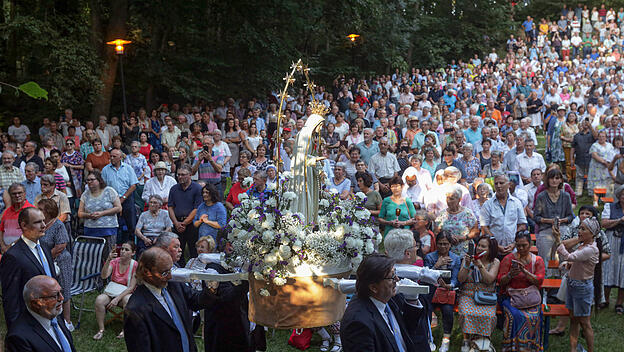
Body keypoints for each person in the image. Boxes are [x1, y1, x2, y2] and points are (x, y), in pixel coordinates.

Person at [123, 247, 216, 352]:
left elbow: (195, 301)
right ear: (146, 272)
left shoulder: (173, 285)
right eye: (164, 273)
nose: (170, 276)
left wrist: (212, 287)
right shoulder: (136, 309)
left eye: (170, 270)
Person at [340, 253, 429, 352]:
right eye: (391, 277)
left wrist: (412, 300)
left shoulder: (386, 298)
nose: (397, 279)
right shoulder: (358, 323)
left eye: (395, 273)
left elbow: (406, 331)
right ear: (373, 287)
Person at [0, 207, 57, 329]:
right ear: (24, 225)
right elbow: (11, 298)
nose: (43, 225)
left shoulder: (45, 247)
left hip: (52, 314)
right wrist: (16, 328)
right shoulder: (13, 256)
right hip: (30, 319)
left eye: (43, 220)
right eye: (37, 222)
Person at [555, 216, 599, 352]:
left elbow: (570, 256)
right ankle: (573, 350)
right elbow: (576, 262)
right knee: (573, 319)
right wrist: (567, 265)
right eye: (579, 227)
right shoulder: (583, 246)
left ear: (592, 233)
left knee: (585, 323)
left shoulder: (591, 249)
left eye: (583, 229)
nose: (579, 231)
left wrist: (558, 241)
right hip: (572, 284)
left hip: (582, 288)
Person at [497, 231, 545, 352]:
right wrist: (510, 275)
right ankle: (513, 348)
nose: (521, 248)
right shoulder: (508, 259)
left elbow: (539, 281)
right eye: (518, 245)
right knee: (515, 315)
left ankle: (531, 347)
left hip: (531, 298)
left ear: (530, 244)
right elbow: (500, 281)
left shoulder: (537, 260)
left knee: (535, 316)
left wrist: (525, 272)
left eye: (524, 245)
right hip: (511, 297)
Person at [5, 275, 76, 352]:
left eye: (61, 292)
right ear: (35, 304)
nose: (61, 298)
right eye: (55, 296)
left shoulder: (54, 314)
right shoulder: (19, 338)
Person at [456, 236, 500, 350]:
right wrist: (466, 264)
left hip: (486, 296)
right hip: (468, 294)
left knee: (488, 315)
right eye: (478, 245)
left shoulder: (495, 262)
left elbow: (489, 279)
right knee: (466, 313)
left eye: (483, 246)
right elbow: (460, 279)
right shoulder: (467, 259)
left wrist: (479, 265)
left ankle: (482, 340)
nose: (479, 248)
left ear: (490, 249)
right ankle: (467, 339)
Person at [37, 199, 73, 331]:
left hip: (61, 261)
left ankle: (67, 321)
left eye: (40, 209)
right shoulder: (40, 224)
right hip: (46, 261)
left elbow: (61, 246)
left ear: (48, 211)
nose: (37, 211)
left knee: (64, 289)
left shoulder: (58, 225)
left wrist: (46, 258)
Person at [424, 231, 461, 352]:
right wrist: (436, 266)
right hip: (432, 291)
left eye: (446, 244)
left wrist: (451, 285)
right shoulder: (430, 257)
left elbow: (456, 278)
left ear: (450, 244)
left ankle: (446, 340)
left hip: (447, 292)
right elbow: (424, 276)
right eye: (440, 244)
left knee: (448, 311)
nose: (443, 247)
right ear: (436, 243)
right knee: (427, 309)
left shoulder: (455, 258)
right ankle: (428, 338)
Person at [93, 241, 137, 340]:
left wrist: (117, 299)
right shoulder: (114, 261)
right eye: (122, 249)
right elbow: (104, 276)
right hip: (112, 291)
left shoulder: (135, 265)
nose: (123, 251)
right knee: (99, 300)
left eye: (126, 250)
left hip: (126, 293)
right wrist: (108, 260)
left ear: (133, 253)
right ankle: (101, 329)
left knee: (127, 300)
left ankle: (125, 329)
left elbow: (131, 287)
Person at [480, 173, 527, 259]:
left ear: (509, 185)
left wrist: (514, 243)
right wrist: (495, 245)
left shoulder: (517, 203)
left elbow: (522, 225)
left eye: (501, 183)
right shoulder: (487, 205)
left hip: (512, 248)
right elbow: (484, 228)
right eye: (496, 183)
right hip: (493, 250)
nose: (498, 186)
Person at [78, 170, 122, 260]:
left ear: (99, 180)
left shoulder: (109, 191)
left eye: (92, 180)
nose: (89, 182)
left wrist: (102, 213)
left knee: (109, 256)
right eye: (87, 180)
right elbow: (80, 213)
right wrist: (89, 215)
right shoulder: (85, 194)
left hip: (108, 229)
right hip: (91, 230)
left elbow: (118, 208)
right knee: (93, 257)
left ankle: (109, 274)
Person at [534, 167, 574, 262]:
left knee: (564, 257)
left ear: (561, 180)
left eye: (557, 178)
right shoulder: (541, 196)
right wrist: (549, 221)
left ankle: (564, 276)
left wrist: (562, 220)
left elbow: (570, 216)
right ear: (547, 180)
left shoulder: (565, 196)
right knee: (544, 258)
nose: (554, 180)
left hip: (562, 229)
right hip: (546, 229)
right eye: (551, 178)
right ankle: (545, 275)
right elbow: (536, 217)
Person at [102, 148, 139, 244]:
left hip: (127, 198)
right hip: (111, 200)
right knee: (113, 225)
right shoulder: (105, 170)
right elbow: (103, 187)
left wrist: (123, 198)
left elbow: (133, 185)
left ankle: (131, 247)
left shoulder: (128, 168)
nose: (112, 158)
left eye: (114, 156)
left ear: (120, 157)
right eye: (111, 156)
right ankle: (114, 247)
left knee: (131, 224)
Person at [168, 164, 203, 266]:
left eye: (183, 174)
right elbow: (170, 207)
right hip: (177, 222)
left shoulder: (197, 188)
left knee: (193, 250)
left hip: (191, 224)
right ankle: (179, 270)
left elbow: (197, 209)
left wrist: (184, 223)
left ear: (190, 175)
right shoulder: (174, 189)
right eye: (178, 174)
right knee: (177, 250)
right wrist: (176, 223)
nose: (180, 177)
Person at [434, 185, 478, 257]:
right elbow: (436, 232)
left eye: (451, 199)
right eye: (447, 198)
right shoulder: (442, 214)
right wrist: (448, 238)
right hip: (446, 252)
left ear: (459, 199)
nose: (448, 201)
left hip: (464, 251)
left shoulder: (467, 213)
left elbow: (475, 231)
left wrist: (462, 238)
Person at [601, 184, 624, 314]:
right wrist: (620, 220)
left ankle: (619, 304)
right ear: (619, 195)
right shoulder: (609, 207)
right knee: (608, 269)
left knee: (623, 272)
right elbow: (604, 223)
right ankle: (605, 300)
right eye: (623, 194)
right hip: (612, 240)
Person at [0, 183, 35, 251]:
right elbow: (1, 230)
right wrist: (3, 246)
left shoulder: (31, 210)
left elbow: (30, 233)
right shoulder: (7, 211)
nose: (17, 195)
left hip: (24, 250)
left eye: (20, 193)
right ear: (10, 195)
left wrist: (11, 246)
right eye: (14, 193)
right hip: (6, 251)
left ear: (25, 193)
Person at [588, 130, 615, 206]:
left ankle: (605, 200)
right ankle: (595, 201)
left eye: (603, 136)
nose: (601, 138)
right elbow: (594, 155)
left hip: (606, 169)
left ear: (606, 137)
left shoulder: (610, 145)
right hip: (597, 168)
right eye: (600, 136)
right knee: (596, 184)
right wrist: (604, 162)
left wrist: (610, 163)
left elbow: (613, 154)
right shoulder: (595, 145)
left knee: (606, 183)